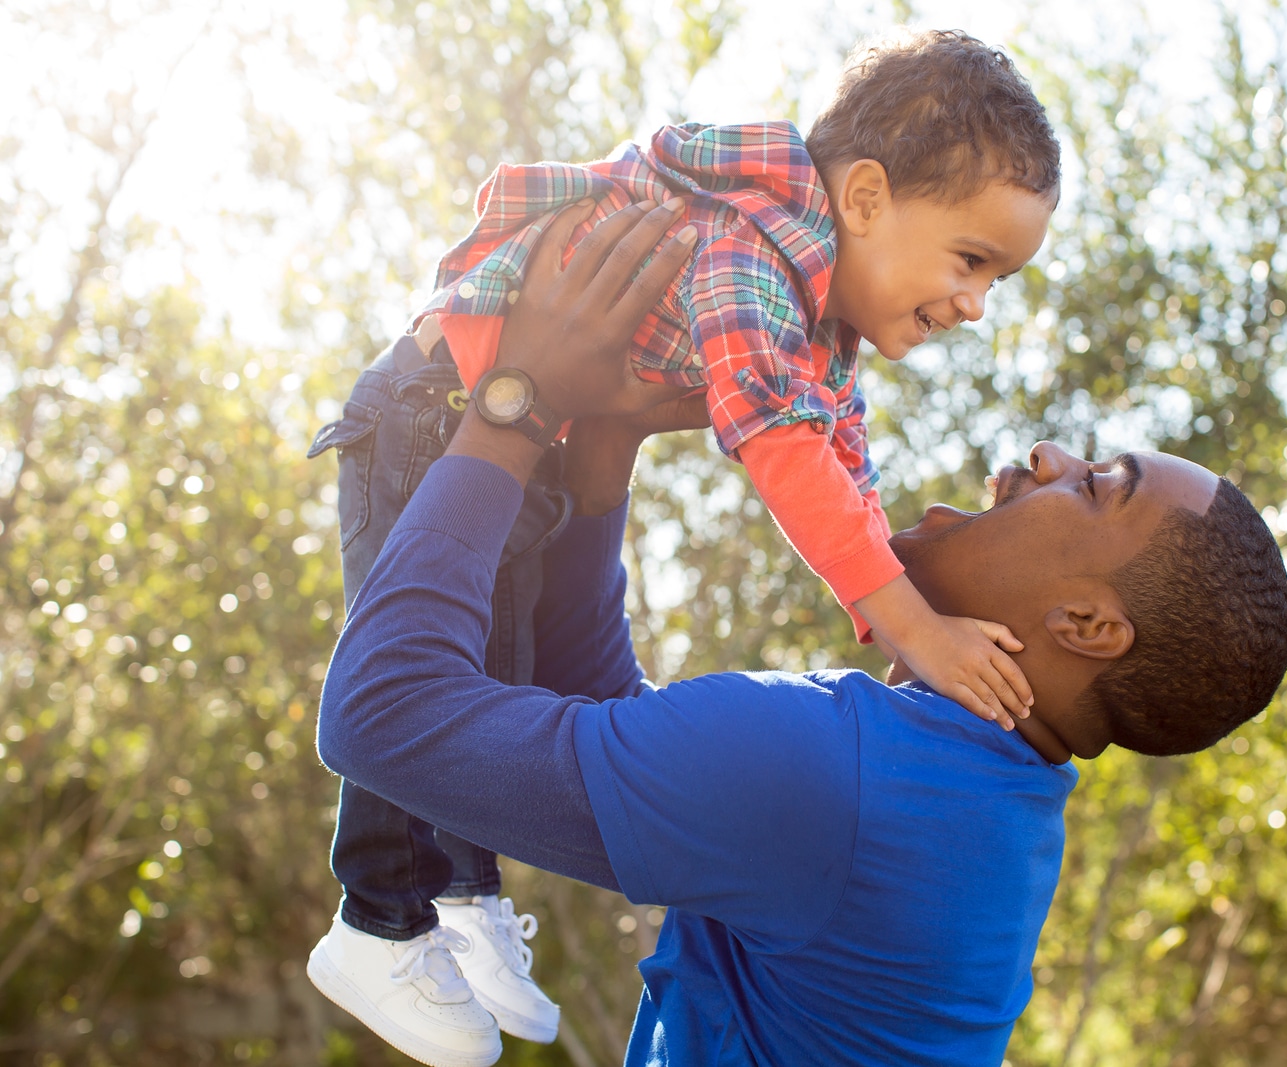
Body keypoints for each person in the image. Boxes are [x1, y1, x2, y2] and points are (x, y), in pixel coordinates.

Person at [312, 203, 1287, 1066]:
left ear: (1085, 625)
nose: (1048, 452)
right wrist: (606, 439)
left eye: (1095, 483)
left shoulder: (845, 778)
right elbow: (617, 728)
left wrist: (515, 404)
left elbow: (381, 716)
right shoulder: (965, 796)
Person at [306, 28, 1063, 1053]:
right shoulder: (754, 255)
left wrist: (888, 602)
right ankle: (379, 919)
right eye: (972, 260)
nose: (975, 303)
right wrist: (912, 626)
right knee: (448, 655)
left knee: (502, 655)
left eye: (999, 280)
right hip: (433, 406)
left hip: (522, 428)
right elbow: (785, 453)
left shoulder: (818, 325)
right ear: (869, 198)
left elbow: (844, 466)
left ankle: (459, 894)